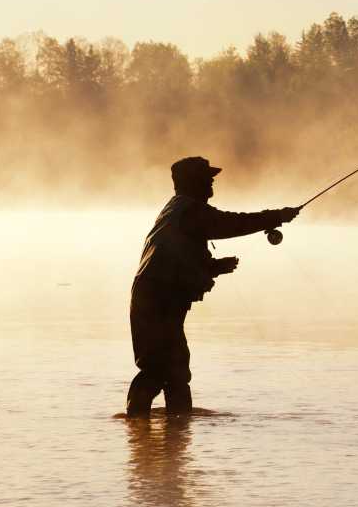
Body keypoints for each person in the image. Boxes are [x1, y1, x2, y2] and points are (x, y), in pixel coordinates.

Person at [126, 156, 299, 417]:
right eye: (208, 178)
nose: (212, 183)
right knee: (160, 369)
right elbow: (232, 223)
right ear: (193, 182)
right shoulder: (190, 210)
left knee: (173, 370)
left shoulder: (177, 210)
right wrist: (276, 216)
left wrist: (214, 267)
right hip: (157, 301)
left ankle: (169, 436)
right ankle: (143, 432)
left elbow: (177, 257)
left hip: (155, 299)